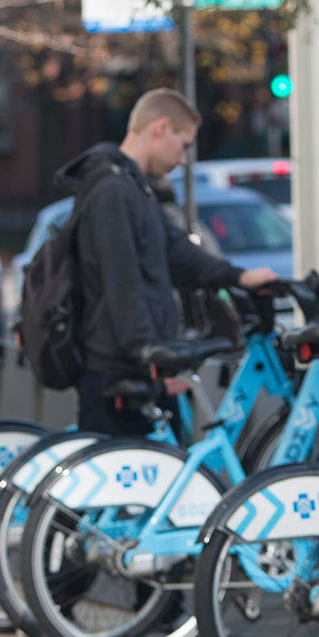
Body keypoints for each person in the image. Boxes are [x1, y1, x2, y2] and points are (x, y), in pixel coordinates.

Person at [56, 88, 278, 437]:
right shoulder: (112, 191)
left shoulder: (134, 188)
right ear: (161, 128)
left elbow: (177, 254)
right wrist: (152, 361)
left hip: (138, 370)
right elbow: (122, 285)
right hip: (120, 376)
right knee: (137, 485)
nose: (183, 159)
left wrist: (239, 276)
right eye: (184, 144)